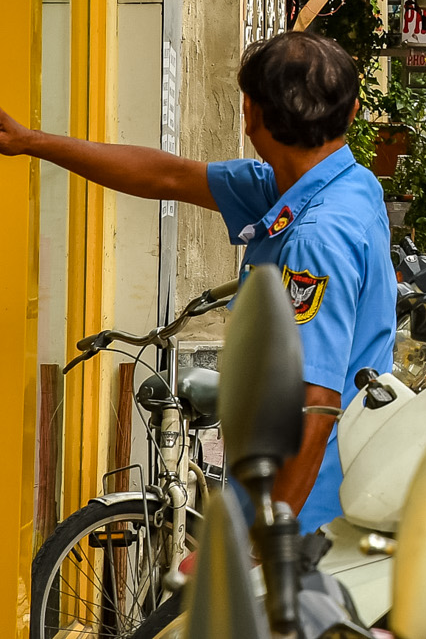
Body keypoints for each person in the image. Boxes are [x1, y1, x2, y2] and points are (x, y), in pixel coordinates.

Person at [0, 31, 393, 533]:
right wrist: (30, 142)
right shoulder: (332, 184)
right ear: (354, 111)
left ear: (252, 116)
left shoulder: (316, 239)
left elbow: (315, 405)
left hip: (305, 514)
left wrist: (264, 551)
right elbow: (167, 176)